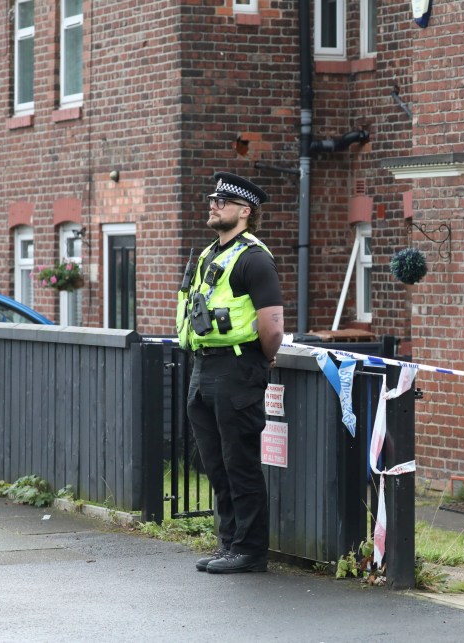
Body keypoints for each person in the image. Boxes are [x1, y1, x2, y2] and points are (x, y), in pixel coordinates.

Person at [177, 171, 284, 574]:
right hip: (204, 367)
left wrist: (263, 358)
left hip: (238, 368)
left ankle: (250, 551)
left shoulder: (254, 258)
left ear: (244, 211)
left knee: (240, 462)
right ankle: (229, 544)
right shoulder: (210, 254)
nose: (213, 205)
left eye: (222, 202)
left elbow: (272, 325)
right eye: (212, 199)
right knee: (216, 463)